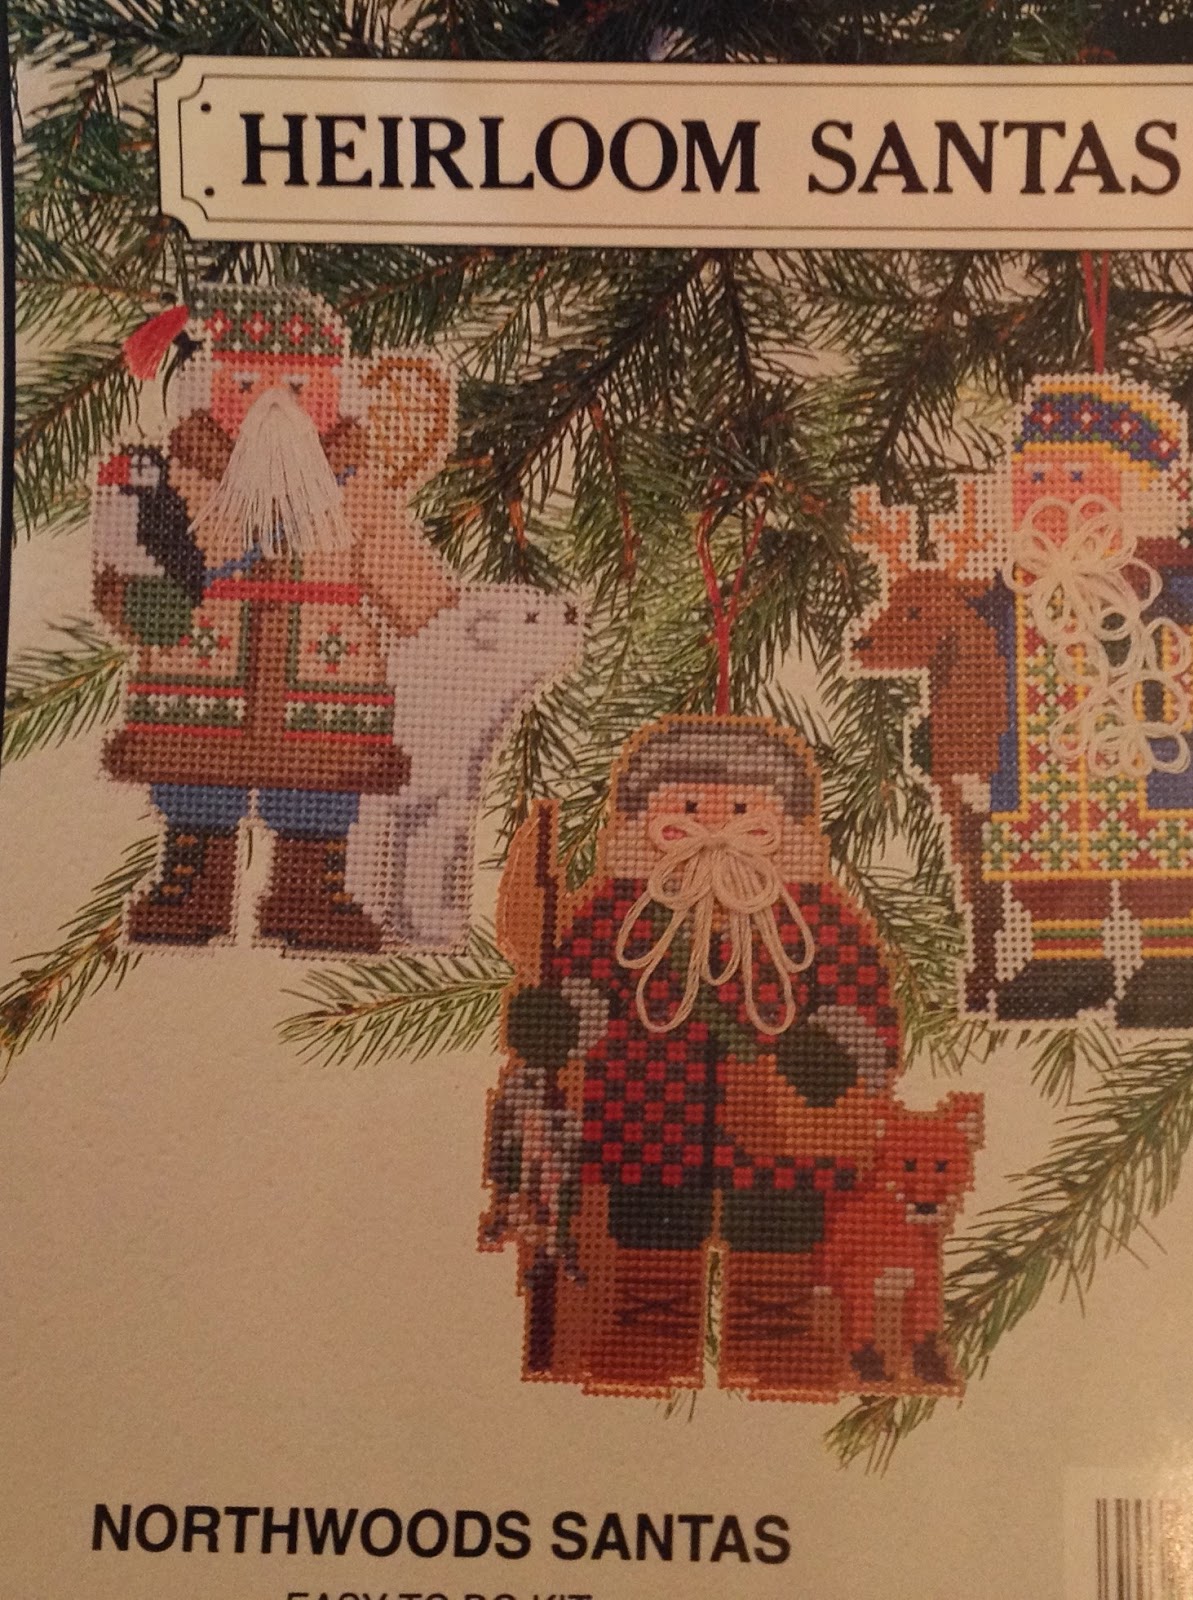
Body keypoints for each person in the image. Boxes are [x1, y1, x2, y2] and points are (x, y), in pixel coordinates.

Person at [93, 284, 578, 954]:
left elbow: (394, 562)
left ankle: (308, 890)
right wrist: (130, 594)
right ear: (210, 387)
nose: (273, 401)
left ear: (333, 394)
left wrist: (441, 616)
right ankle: (192, 881)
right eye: (246, 384)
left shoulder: (352, 484)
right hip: (207, 667)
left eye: (298, 385)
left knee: (320, 788)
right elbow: (137, 551)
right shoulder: (182, 475)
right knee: (196, 777)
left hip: (322, 675)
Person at [849, 375, 1193, 1029]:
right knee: (1051, 877)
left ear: (1133, 494)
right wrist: (953, 732)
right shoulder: (1009, 595)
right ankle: (1066, 962)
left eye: (1075, 477)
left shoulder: (1166, 583)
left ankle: (1176, 963)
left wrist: (1171, 688)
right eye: (1035, 479)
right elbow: (968, 661)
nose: (1054, 494)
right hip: (1048, 784)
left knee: (1167, 874)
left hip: (1161, 771)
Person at [485, 716, 904, 1399]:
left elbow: (861, 997)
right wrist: (556, 1023)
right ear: (646, 816)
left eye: (739, 807)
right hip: (649, 1116)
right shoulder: (624, 910)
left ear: (780, 821)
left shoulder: (813, 915)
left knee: (780, 1227)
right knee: (649, 1221)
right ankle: (648, 1329)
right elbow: (590, 986)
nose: (713, 824)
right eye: (687, 804)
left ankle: (777, 1335)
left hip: (778, 1129)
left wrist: (834, 1053)